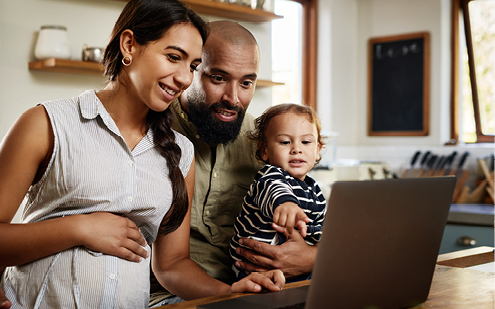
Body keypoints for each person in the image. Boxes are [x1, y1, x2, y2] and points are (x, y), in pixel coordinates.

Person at [0, 1, 283, 308]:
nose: (184, 79)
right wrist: (79, 228)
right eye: (173, 57)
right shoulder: (45, 124)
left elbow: (171, 264)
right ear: (129, 45)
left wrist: (231, 292)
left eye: (191, 65)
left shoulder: (179, 153)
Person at [149, 21, 318, 306]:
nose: (233, 98)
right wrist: (233, 293)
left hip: (261, 290)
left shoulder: (265, 140)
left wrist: (311, 257)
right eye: (218, 78)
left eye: (246, 83)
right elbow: (168, 265)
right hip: (173, 295)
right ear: (192, 71)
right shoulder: (152, 134)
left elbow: (308, 215)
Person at [229, 103, 327, 281]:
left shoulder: (316, 191)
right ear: (264, 151)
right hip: (255, 271)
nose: (296, 149)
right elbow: (274, 189)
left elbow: (321, 228)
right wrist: (286, 204)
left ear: (318, 150)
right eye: (285, 142)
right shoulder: (269, 176)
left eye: (306, 142)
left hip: (299, 268)